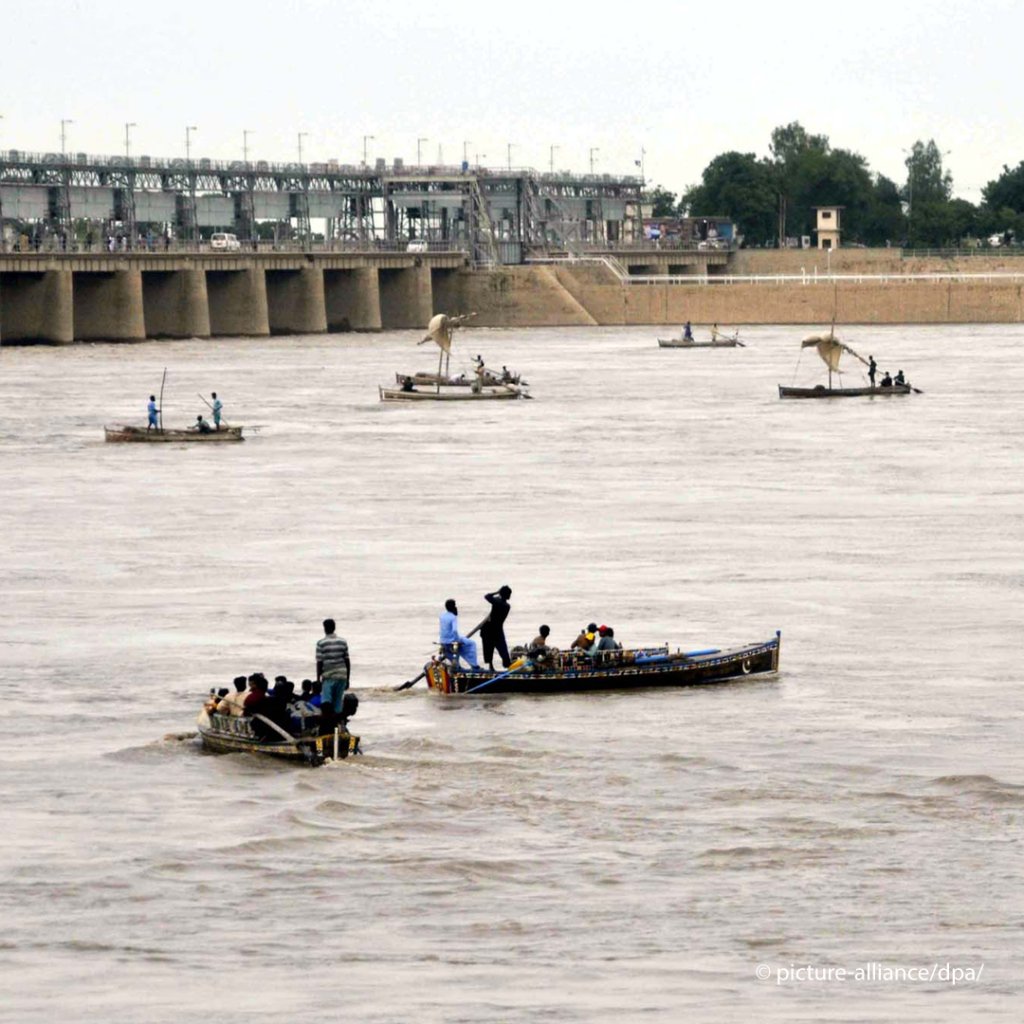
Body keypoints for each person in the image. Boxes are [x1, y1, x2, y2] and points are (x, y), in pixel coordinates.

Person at [316, 619, 351, 727]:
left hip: (328, 676)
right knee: (337, 703)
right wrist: (348, 678)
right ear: (334, 628)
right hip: (342, 675)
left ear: (324, 628)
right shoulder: (343, 642)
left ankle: (328, 727)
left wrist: (318, 679)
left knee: (326, 702)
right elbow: (347, 661)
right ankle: (339, 726)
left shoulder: (321, 643)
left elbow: (319, 662)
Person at [439, 598, 480, 671]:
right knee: (471, 644)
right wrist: (457, 640)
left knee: (461, 644)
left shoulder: (442, 616)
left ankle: (457, 666)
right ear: (453, 607)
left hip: (443, 640)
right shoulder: (453, 617)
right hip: (452, 640)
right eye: (455, 605)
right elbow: (454, 631)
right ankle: (474, 665)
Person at [479, 586, 513, 671]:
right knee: (501, 649)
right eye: (509, 594)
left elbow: (487, 596)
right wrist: (499, 594)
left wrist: (497, 592)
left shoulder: (499, 602)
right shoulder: (506, 605)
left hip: (490, 628)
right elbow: (488, 597)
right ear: (506, 595)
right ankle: (507, 665)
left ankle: (491, 666)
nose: (510, 596)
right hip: (495, 629)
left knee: (489, 648)